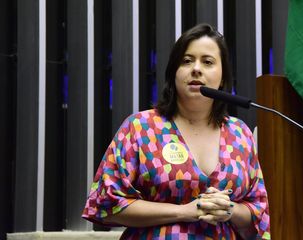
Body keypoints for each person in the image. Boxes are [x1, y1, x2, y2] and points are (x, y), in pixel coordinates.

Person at [82, 23, 270, 239]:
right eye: (187, 61)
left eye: (207, 62)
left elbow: (258, 210)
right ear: (173, 73)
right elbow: (108, 203)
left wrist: (229, 210)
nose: (196, 68)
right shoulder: (140, 127)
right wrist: (184, 211)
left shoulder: (240, 133)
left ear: (223, 77)